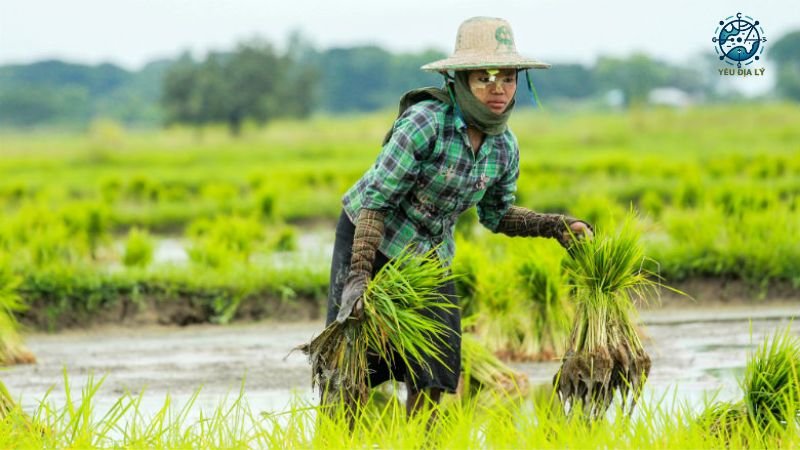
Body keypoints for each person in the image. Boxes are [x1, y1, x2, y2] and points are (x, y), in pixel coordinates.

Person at [325, 16, 593, 417]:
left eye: (507, 76)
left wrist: (555, 226)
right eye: (485, 77)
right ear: (460, 81)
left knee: (436, 360)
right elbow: (376, 202)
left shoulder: (505, 148)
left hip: (429, 255)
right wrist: (359, 276)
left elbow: (497, 214)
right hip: (372, 237)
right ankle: (337, 436)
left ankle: (422, 441)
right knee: (352, 359)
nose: (497, 87)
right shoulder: (425, 123)